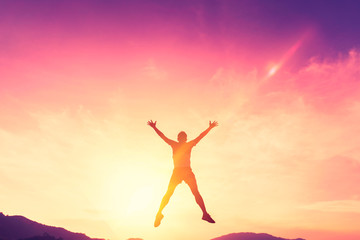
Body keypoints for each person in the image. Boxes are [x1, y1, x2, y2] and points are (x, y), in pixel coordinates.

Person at [147, 120, 218, 227]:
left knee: (194, 193)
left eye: (183, 137)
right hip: (179, 172)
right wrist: (154, 128)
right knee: (170, 193)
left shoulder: (185, 144)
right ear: (179, 139)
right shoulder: (176, 144)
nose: (182, 139)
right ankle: (159, 213)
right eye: (181, 137)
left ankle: (205, 214)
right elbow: (163, 136)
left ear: (185, 139)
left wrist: (210, 128)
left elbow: (200, 136)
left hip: (185, 171)